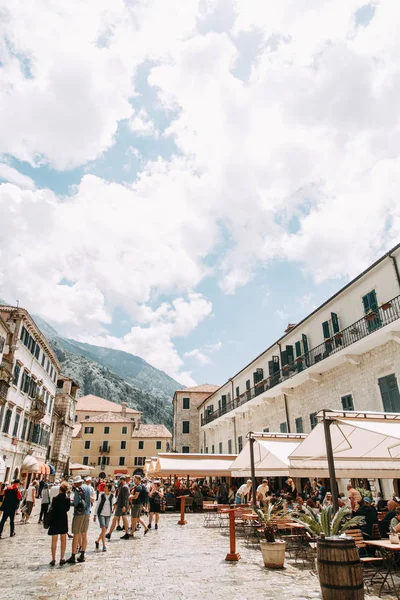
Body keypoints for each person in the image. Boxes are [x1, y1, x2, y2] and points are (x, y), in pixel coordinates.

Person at [66, 475, 91, 564]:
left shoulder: (78, 490)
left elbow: (76, 503)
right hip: (87, 513)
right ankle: (82, 555)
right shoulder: (88, 488)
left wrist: (70, 502)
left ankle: (73, 556)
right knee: (84, 534)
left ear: (76, 483)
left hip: (79, 514)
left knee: (76, 534)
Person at [48, 482, 70, 566]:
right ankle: (62, 557)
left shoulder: (55, 499)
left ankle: (53, 559)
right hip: (63, 519)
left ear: (60, 490)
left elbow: (52, 508)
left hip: (54, 519)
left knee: (54, 540)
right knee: (63, 540)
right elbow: (67, 509)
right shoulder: (67, 499)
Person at [106, 475, 130, 540]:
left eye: (120, 480)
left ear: (122, 480)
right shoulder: (125, 486)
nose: (119, 481)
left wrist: (123, 506)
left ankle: (109, 534)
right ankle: (127, 533)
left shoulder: (124, 487)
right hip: (122, 505)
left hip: (121, 506)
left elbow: (125, 498)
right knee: (124, 519)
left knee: (115, 519)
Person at [93, 483, 114, 552]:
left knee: (104, 531)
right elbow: (98, 505)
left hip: (108, 515)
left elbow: (113, 504)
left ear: (109, 489)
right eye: (104, 488)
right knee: (103, 529)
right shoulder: (101, 496)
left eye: (106, 488)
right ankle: (104, 546)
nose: (104, 489)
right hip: (101, 514)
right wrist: (95, 515)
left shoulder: (112, 496)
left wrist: (113, 510)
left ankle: (97, 541)